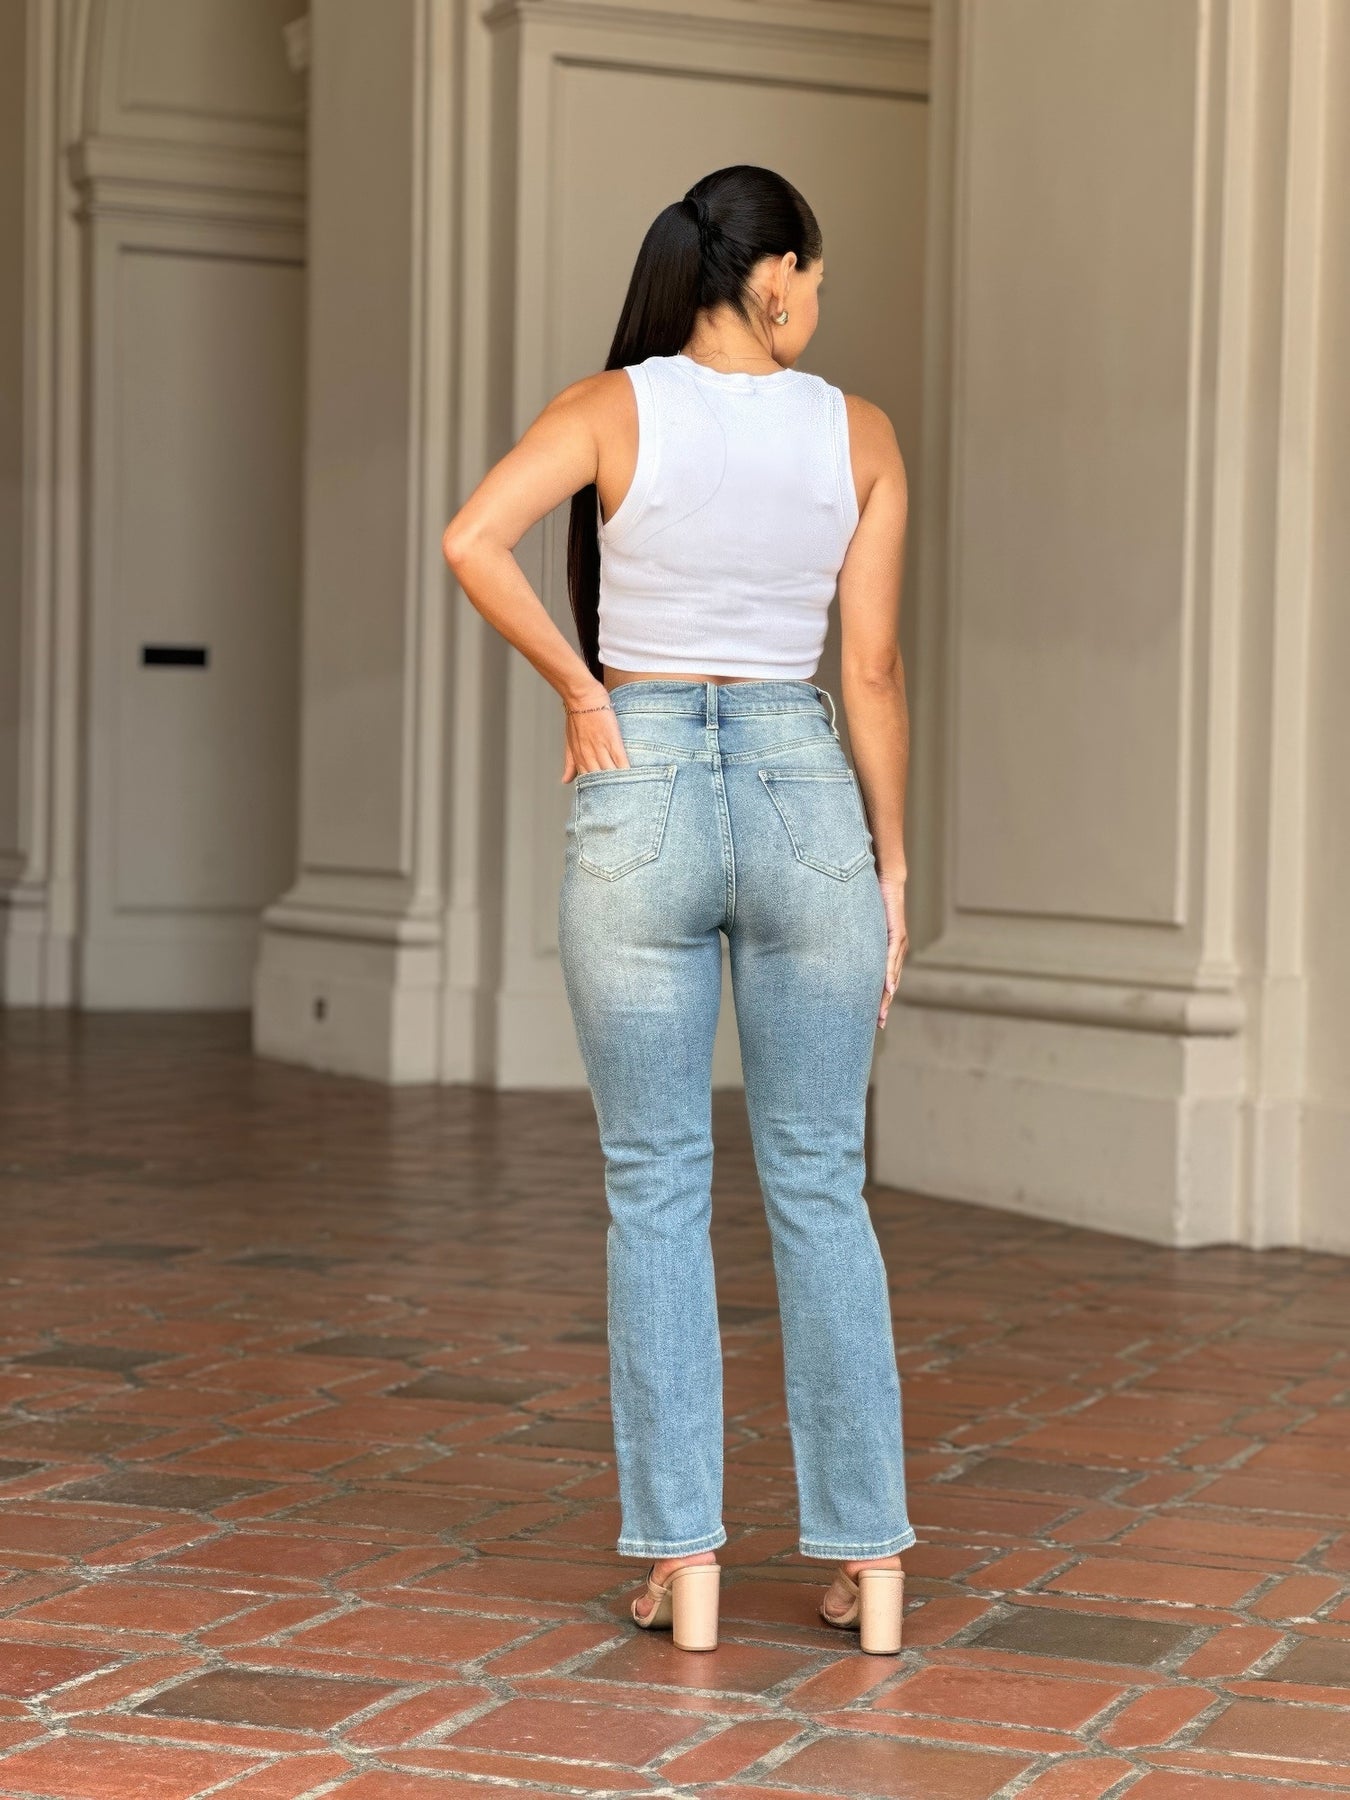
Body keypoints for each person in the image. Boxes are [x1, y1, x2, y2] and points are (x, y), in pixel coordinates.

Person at [442, 163, 913, 1656]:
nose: (818, 302)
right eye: (815, 277)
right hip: (803, 792)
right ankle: (871, 1566)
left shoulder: (608, 408)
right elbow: (871, 671)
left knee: (653, 1185)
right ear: (773, 277)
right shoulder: (859, 434)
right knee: (820, 1183)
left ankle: (683, 1565)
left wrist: (585, 692)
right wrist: (892, 862)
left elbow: (471, 539)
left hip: (636, 782)